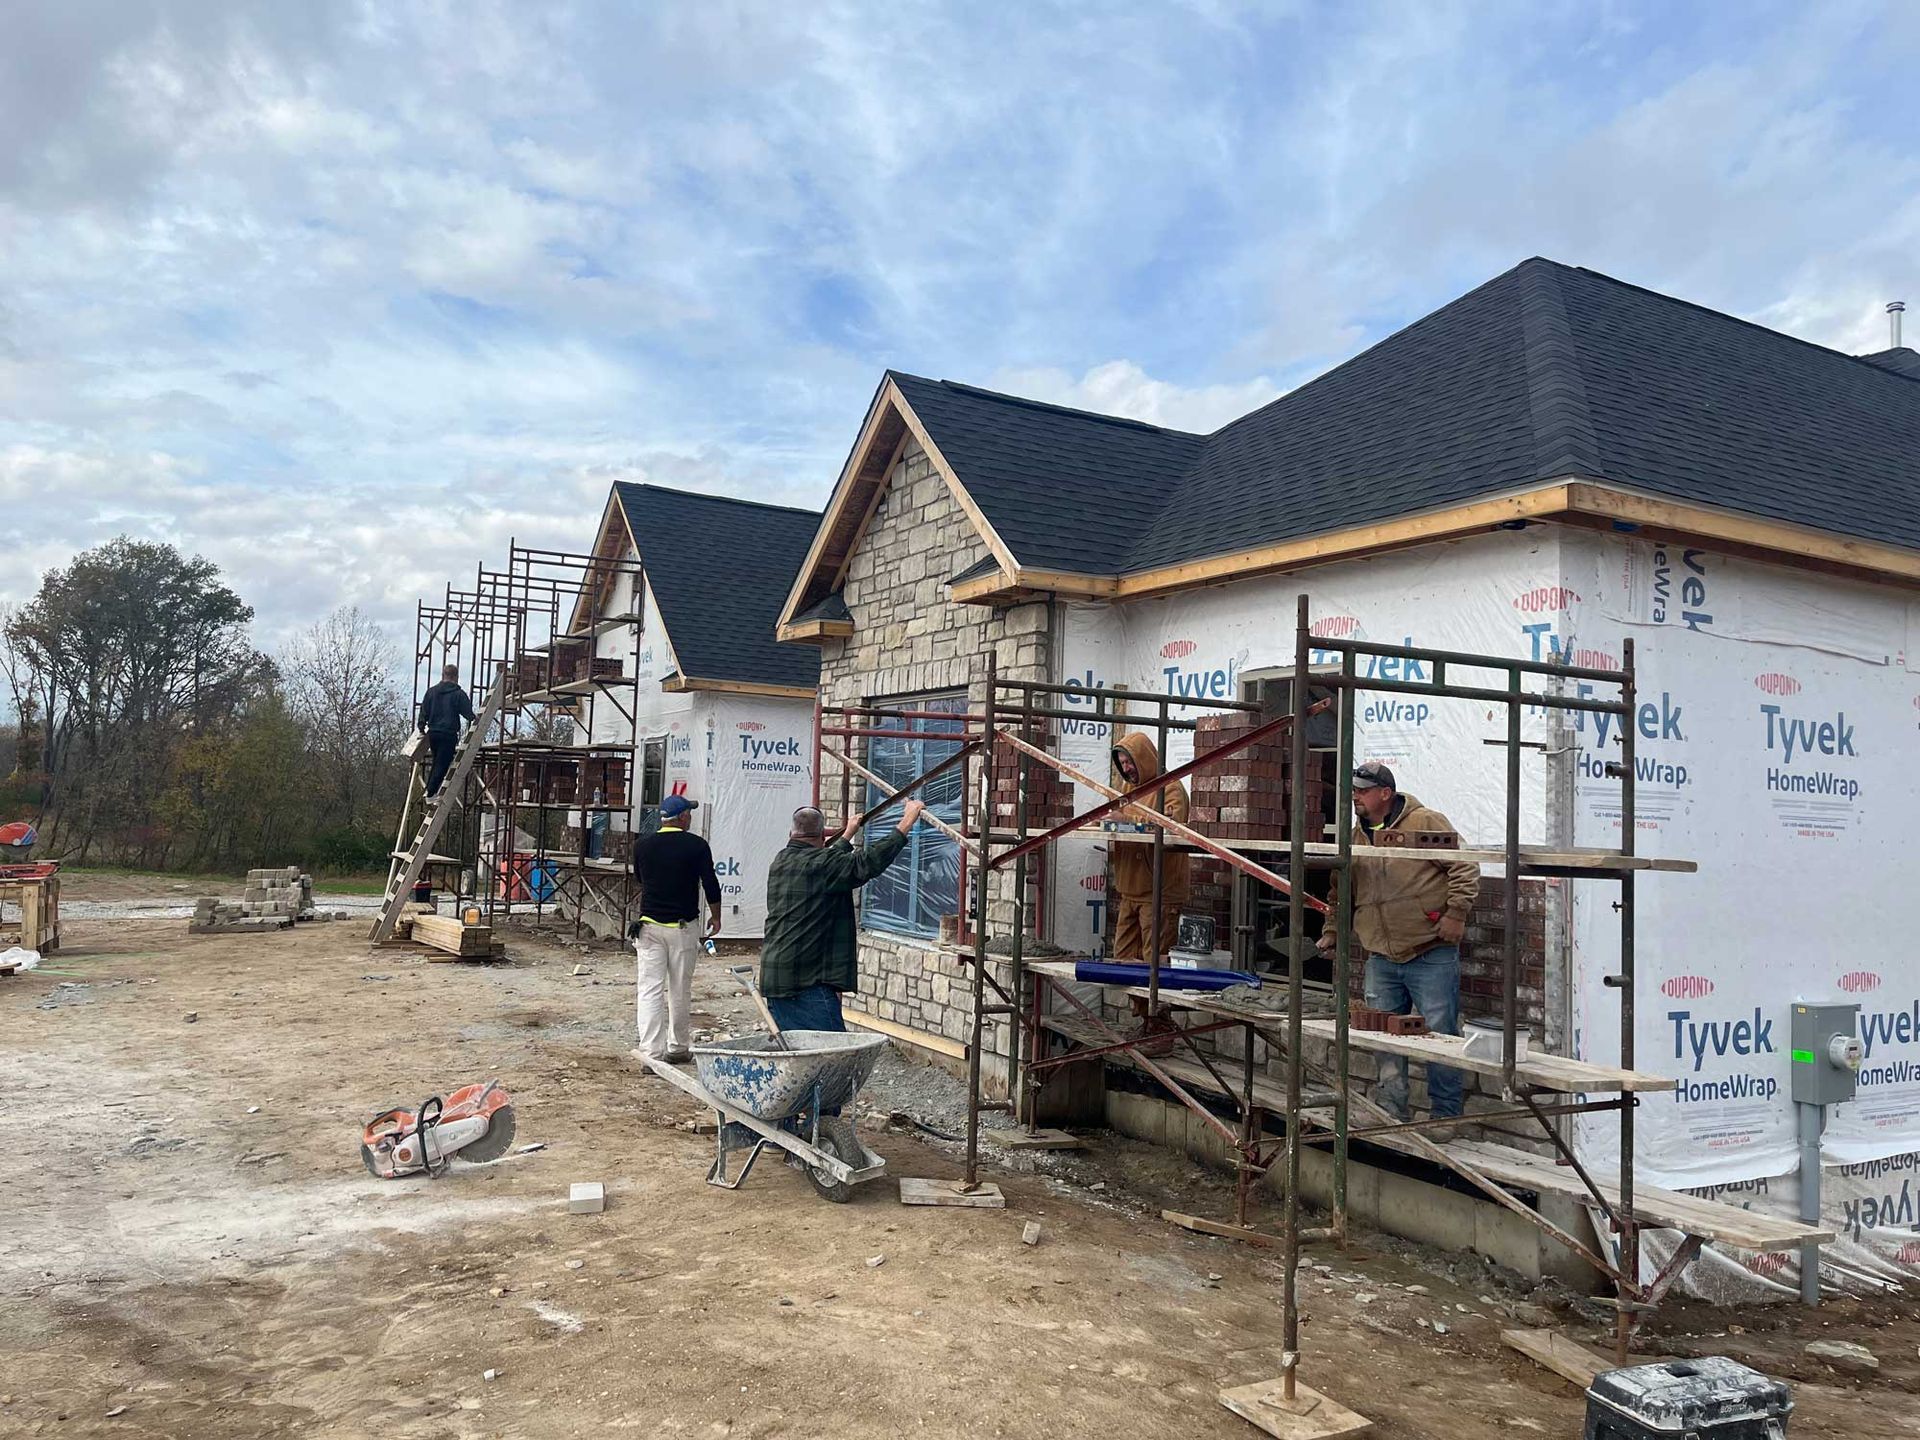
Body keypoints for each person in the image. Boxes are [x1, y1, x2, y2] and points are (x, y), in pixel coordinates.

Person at [1319, 760, 1480, 1122]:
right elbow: (1339, 888)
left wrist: (1456, 913)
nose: (1355, 797)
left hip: (1429, 952)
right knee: (1383, 1035)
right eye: (1354, 790)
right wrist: (1332, 928)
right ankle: (1391, 1111)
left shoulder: (1426, 823)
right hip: (1381, 956)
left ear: (1385, 794)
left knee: (1442, 1038)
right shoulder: (1356, 834)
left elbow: (1465, 864)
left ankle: (1446, 1116)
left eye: (1362, 790)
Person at [759, 799, 926, 1034]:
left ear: (791, 834)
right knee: (831, 1059)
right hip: (806, 984)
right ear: (821, 837)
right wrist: (907, 820)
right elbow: (866, 862)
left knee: (798, 1056)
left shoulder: (782, 860)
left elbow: (825, 860)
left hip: (777, 977)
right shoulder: (824, 864)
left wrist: (848, 834)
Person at [628, 794, 722, 1063]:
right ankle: (678, 1047)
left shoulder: (642, 846)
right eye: (689, 813)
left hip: (648, 928)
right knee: (680, 988)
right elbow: (710, 884)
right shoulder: (697, 846)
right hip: (682, 928)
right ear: (682, 817)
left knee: (649, 990)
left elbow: (640, 879)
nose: (691, 817)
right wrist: (716, 917)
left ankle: (651, 1053)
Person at [1108, 731, 1189, 961]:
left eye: (1129, 762)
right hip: (1130, 890)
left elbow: (1171, 827)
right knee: (1123, 960)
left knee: (1154, 964)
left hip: (1159, 893)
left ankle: (1150, 1000)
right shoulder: (1126, 789)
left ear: (1143, 758)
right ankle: (1137, 1000)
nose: (1126, 769)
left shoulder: (1171, 788)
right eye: (1122, 763)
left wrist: (1127, 821)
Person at [417, 663, 475, 799]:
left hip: (433, 733)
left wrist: (421, 728)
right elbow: (468, 714)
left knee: (437, 761)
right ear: (456, 677)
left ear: (443, 675)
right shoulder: (458, 694)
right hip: (448, 734)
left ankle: (430, 790)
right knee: (442, 764)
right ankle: (431, 793)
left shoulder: (431, 692)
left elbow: (423, 711)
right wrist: (475, 718)